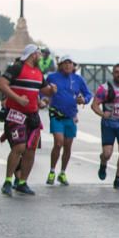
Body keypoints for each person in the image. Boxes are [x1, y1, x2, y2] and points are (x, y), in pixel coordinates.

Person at [0, 45, 55, 196]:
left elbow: (44, 90)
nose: (41, 57)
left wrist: (52, 91)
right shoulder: (16, 68)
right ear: (33, 55)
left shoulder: (38, 72)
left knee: (31, 149)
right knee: (19, 147)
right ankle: (8, 181)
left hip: (33, 115)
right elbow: (1, 84)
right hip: (16, 113)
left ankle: (23, 182)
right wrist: (16, 98)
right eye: (39, 54)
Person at [43, 55, 92, 186]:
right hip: (56, 115)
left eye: (70, 63)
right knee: (58, 143)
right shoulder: (52, 77)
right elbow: (42, 91)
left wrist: (84, 100)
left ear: (74, 66)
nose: (68, 65)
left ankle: (62, 172)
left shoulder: (78, 79)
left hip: (70, 116)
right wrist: (45, 98)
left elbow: (88, 94)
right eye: (65, 63)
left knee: (68, 146)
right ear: (60, 65)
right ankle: (52, 171)